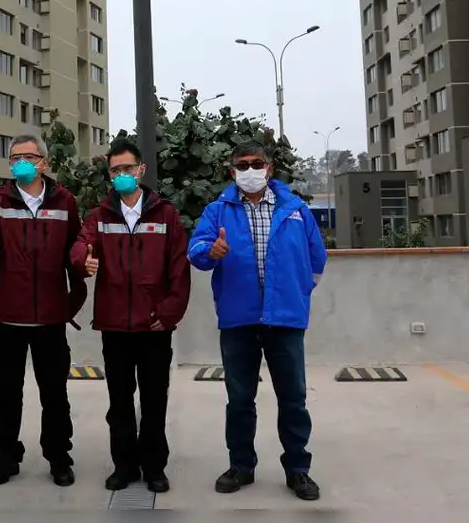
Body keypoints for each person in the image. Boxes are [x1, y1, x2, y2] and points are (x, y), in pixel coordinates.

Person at [187, 140, 328, 501]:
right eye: (242, 164)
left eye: (257, 163)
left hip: (285, 320)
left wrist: (297, 295)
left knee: (293, 399)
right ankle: (241, 466)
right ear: (232, 171)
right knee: (239, 400)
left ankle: (298, 470)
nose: (250, 170)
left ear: (270, 168)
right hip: (239, 320)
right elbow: (196, 251)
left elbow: (316, 259)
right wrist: (211, 251)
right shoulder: (218, 211)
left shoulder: (295, 210)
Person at [70, 141, 190, 493]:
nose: (122, 175)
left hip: (154, 326)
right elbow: (80, 245)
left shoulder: (165, 215)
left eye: (127, 168)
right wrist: (82, 261)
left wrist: (168, 313)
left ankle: (154, 467)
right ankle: (124, 465)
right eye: (115, 170)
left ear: (141, 170)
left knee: (155, 400)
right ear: (109, 175)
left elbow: (179, 269)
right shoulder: (99, 216)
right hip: (114, 325)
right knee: (119, 402)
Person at [0, 134, 87, 487]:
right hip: (8, 314)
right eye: (15, 157)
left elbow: (76, 247)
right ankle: (7, 456)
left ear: (44, 162)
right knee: (7, 394)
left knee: (55, 393)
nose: (22, 162)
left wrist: (76, 289)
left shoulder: (64, 201)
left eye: (29, 156)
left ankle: (58, 457)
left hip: (51, 317)